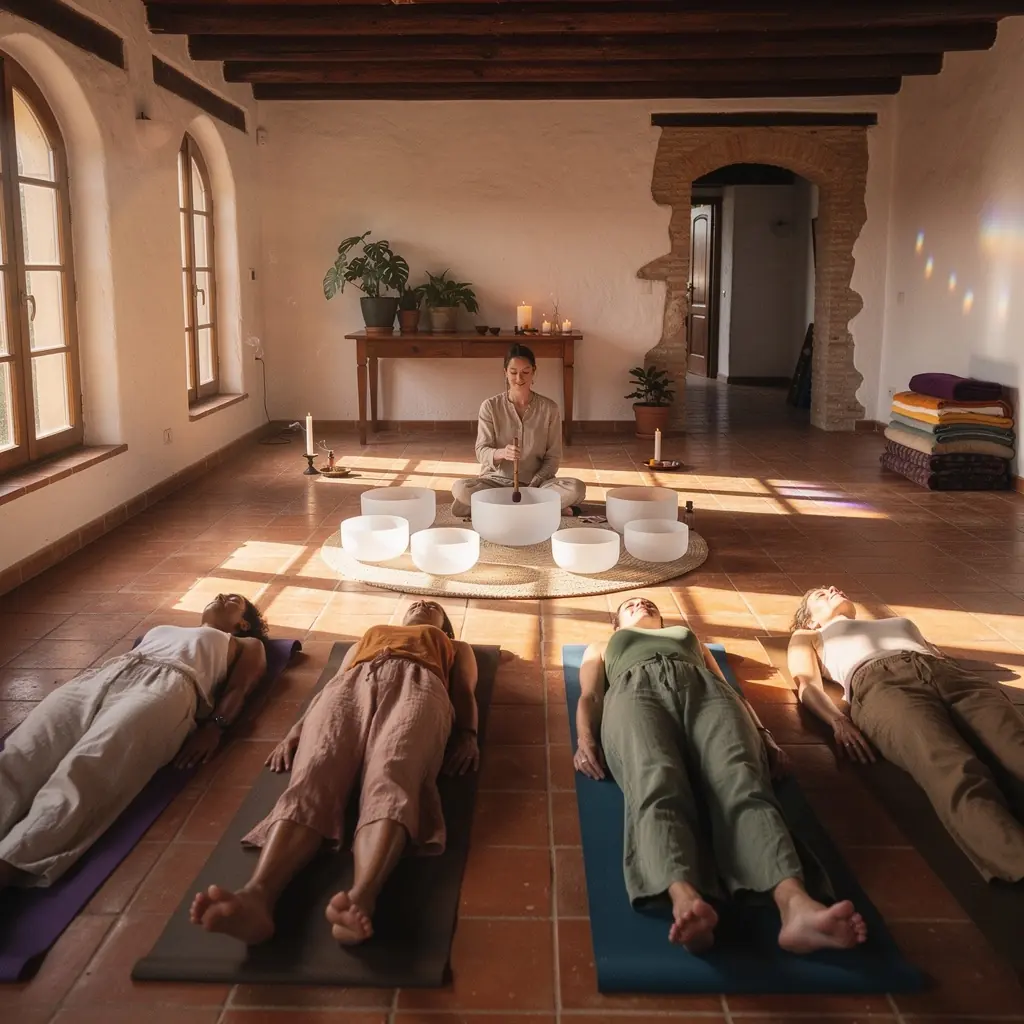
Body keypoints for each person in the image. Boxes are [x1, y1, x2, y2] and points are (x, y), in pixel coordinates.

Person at [575, 596, 867, 955]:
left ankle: (796, 906)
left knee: (742, 783)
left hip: (708, 695)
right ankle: (685, 899)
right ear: (617, 625)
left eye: (648, 602)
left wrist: (765, 736)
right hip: (635, 693)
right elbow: (590, 694)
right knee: (656, 781)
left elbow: (729, 687)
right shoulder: (604, 645)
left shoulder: (687, 637)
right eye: (631, 604)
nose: (641, 604)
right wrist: (585, 738)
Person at [189, 599, 479, 947]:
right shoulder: (368, 637)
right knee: (314, 774)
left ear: (443, 625)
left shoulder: (454, 645)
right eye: (417, 602)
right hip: (350, 688)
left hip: (419, 686)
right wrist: (296, 731)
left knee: (393, 774)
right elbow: (335, 681)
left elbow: (463, 688)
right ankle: (257, 897)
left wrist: (469, 734)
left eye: (433, 606)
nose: (422, 603)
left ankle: (362, 896)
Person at [0, 594, 268, 889]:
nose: (220, 595)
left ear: (243, 623)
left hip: (167, 687)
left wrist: (214, 728)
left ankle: (11, 862)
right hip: (100, 677)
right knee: (21, 754)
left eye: (234, 600)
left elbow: (239, 689)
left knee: (86, 769)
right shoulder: (163, 629)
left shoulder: (247, 644)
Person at [788, 585, 1024, 882]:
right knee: (950, 766)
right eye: (820, 595)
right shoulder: (809, 636)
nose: (832, 590)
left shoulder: (899, 623)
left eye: (833, 588)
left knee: (1016, 747)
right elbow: (807, 684)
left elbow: (935, 654)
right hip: (882, 686)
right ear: (810, 620)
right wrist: (838, 720)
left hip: (949, 676)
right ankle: (1016, 860)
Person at [451, 343, 585, 518]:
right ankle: (539, 509)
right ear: (505, 372)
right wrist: (501, 453)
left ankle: (498, 509)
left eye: (525, 372)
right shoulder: (490, 407)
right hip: (495, 483)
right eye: (513, 372)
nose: (519, 378)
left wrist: (534, 483)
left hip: (536, 485)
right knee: (460, 488)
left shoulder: (550, 408)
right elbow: (481, 451)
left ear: (534, 372)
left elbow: (553, 457)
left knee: (576, 488)